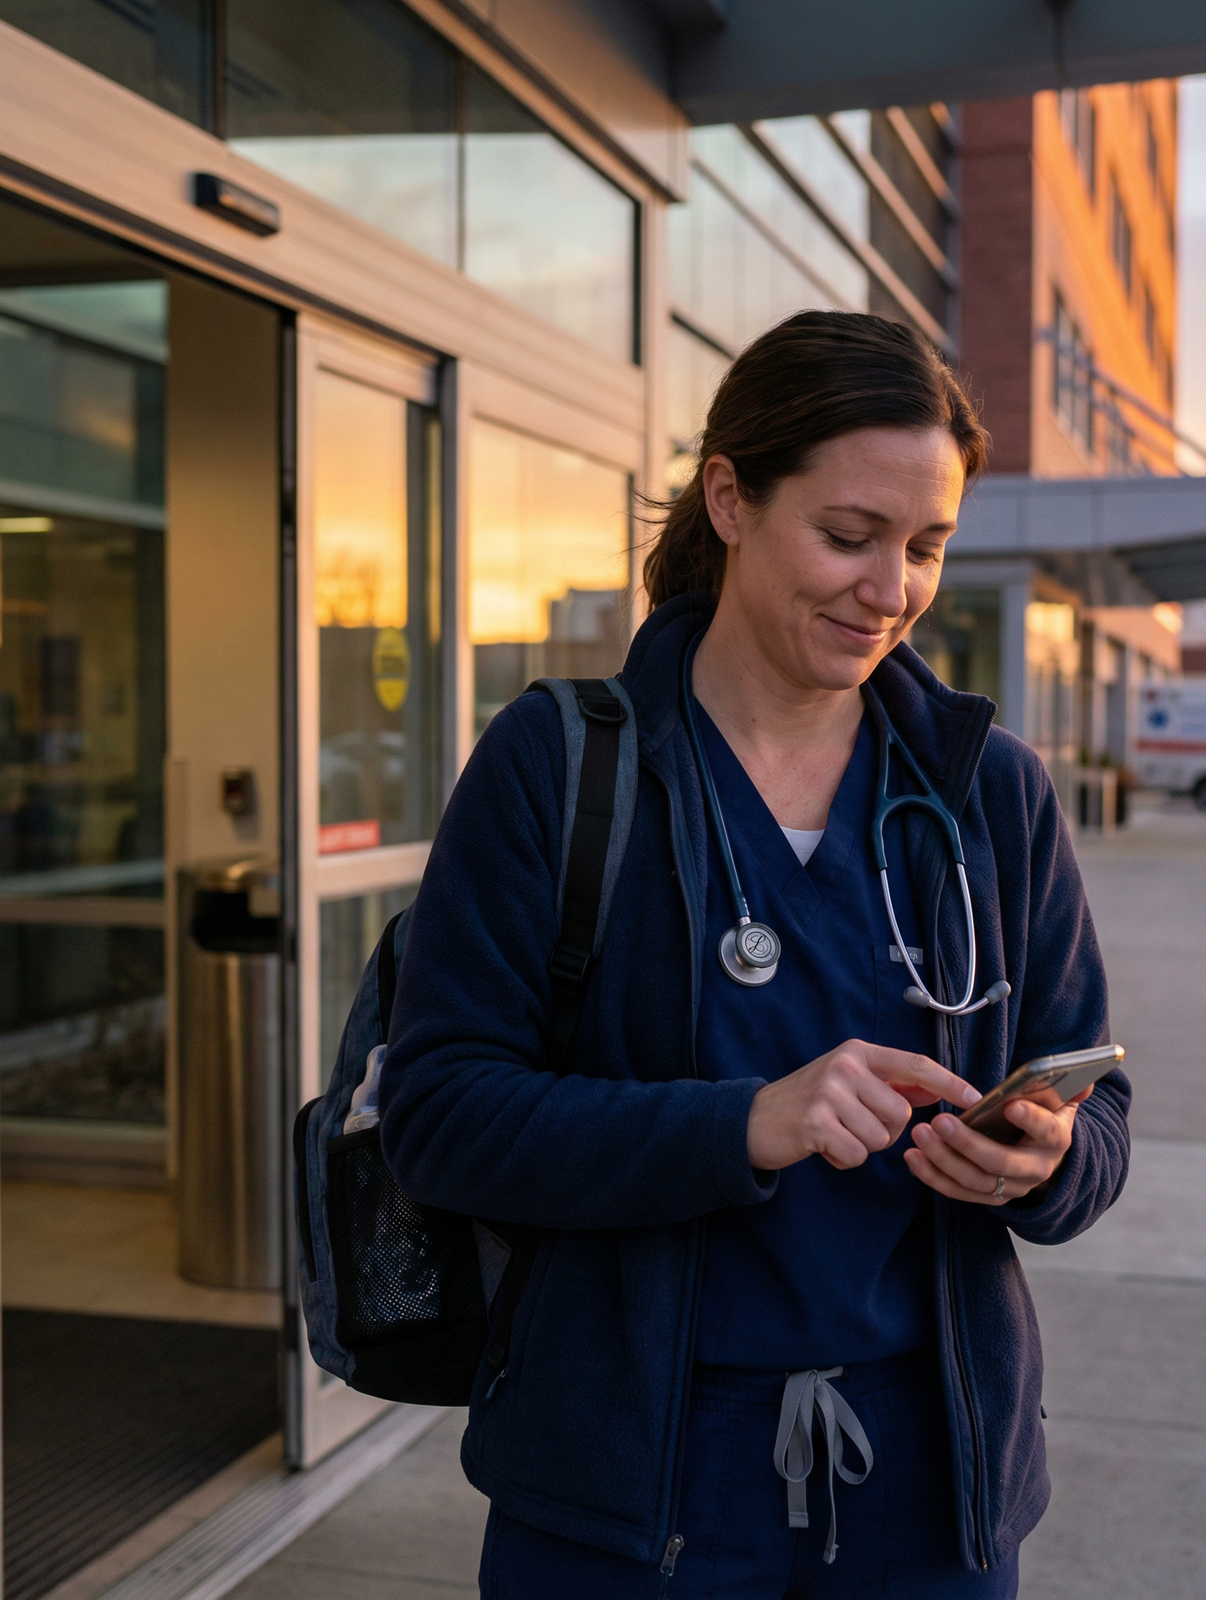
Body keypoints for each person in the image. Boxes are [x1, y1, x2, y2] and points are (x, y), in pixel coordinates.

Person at [381, 310, 1131, 1599]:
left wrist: (1043, 1161)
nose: (890, 591)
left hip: (931, 1473)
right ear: (730, 499)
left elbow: (1100, 1111)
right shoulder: (559, 766)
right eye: (848, 536)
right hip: (627, 1476)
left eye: (925, 547)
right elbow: (441, 1117)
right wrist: (745, 1124)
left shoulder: (988, 793)